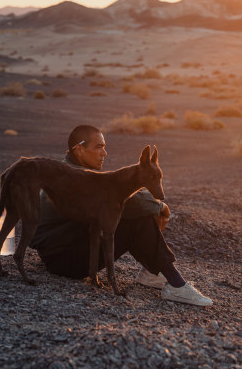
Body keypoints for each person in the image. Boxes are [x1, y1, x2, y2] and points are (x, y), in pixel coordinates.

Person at [29, 125, 212, 306]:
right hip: (65, 260)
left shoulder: (71, 171)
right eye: (98, 147)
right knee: (139, 219)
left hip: (59, 254)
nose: (105, 153)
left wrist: (154, 205)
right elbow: (134, 202)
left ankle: (152, 273)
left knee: (132, 212)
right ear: (79, 150)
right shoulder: (74, 177)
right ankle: (176, 285)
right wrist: (160, 207)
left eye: (105, 146)